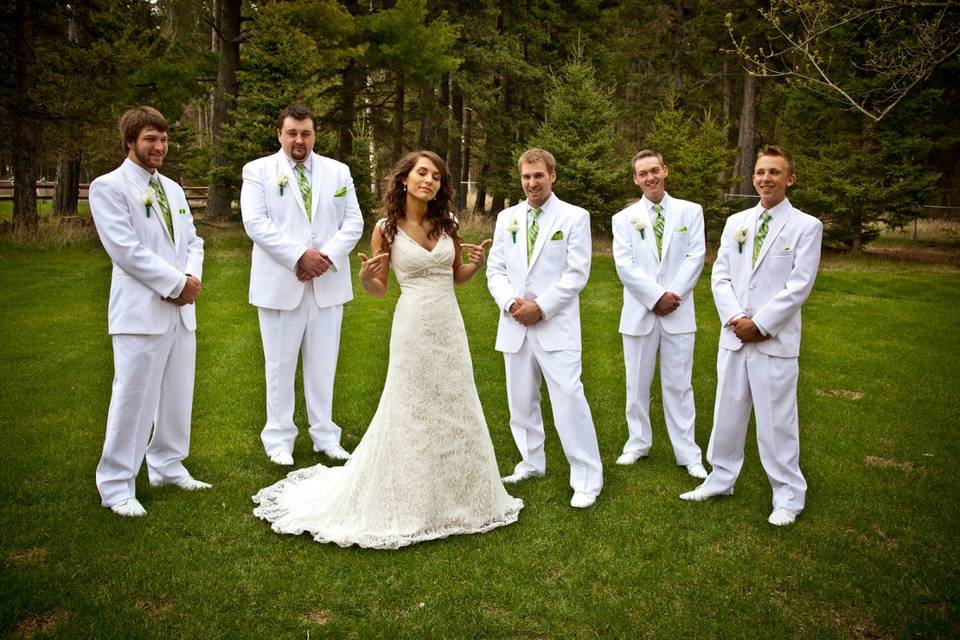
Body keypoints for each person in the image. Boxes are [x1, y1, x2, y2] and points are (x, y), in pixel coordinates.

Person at [253, 151, 523, 548]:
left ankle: (460, 492)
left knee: (454, 400)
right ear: (404, 179)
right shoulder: (386, 229)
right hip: (412, 323)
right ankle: (409, 495)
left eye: (436, 176)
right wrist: (366, 278)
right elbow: (380, 290)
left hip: (449, 324)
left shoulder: (447, 223)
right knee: (411, 405)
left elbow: (455, 277)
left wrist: (475, 267)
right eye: (422, 173)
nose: (429, 181)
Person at [680, 145, 822, 527]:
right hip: (734, 336)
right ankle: (720, 478)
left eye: (774, 172)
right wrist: (736, 318)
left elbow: (799, 285)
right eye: (760, 172)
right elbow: (720, 275)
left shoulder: (806, 226)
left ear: (789, 178)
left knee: (777, 422)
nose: (765, 179)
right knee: (726, 413)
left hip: (773, 341)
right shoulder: (737, 222)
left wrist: (760, 324)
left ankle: (788, 495)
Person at [90, 106, 210, 517]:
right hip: (141, 313)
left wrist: (190, 278)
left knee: (177, 394)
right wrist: (176, 284)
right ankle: (117, 484)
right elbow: (125, 250)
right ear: (129, 142)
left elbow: (194, 241)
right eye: (150, 140)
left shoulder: (173, 190)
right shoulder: (108, 187)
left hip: (181, 311)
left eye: (163, 139)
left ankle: (168, 464)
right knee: (134, 398)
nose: (159, 147)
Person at [240, 105, 363, 466]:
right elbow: (255, 223)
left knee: (324, 364)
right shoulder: (258, 171)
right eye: (292, 133)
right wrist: (298, 257)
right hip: (282, 282)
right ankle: (278, 439)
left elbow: (353, 222)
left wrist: (323, 258)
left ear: (314, 134)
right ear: (280, 134)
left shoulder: (338, 172)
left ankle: (325, 435)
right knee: (279, 364)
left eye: (306, 133)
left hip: (326, 283)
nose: (299, 140)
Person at [486, 148, 603, 509]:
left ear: (553, 175)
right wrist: (510, 303)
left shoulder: (574, 216)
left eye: (538, 175)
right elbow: (496, 270)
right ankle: (531, 462)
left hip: (556, 326)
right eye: (526, 177)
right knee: (520, 402)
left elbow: (577, 272)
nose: (532, 182)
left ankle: (586, 478)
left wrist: (542, 307)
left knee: (568, 400)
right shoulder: (508, 217)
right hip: (514, 323)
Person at [611, 150, 707, 479]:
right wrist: (655, 297)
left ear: (665, 171)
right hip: (640, 312)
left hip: (678, 311)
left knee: (680, 384)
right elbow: (625, 265)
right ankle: (638, 442)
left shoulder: (690, 212)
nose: (650, 177)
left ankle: (688, 452)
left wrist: (672, 296)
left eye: (655, 170)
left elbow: (696, 256)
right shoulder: (623, 219)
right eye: (643, 173)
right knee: (636, 383)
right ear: (636, 179)